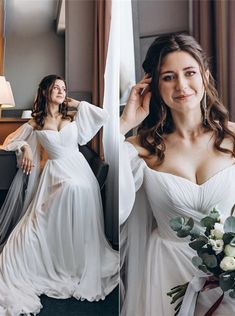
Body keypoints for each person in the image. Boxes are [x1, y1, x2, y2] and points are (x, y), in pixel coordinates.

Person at [119, 33, 235, 316]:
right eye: (168, 77)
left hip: (227, 274)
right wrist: (125, 123)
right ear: (153, 87)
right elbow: (115, 209)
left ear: (205, 77)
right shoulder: (138, 149)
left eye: (189, 73)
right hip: (165, 271)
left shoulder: (233, 136)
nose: (182, 85)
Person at [0, 74, 119, 315]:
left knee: (77, 187)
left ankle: (75, 257)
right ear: (45, 92)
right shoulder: (35, 122)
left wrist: (77, 103)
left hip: (79, 170)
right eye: (56, 88)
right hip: (55, 173)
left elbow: (103, 115)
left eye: (64, 88)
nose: (61, 91)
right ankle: (56, 257)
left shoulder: (72, 115)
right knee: (60, 196)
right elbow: (8, 141)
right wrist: (24, 147)